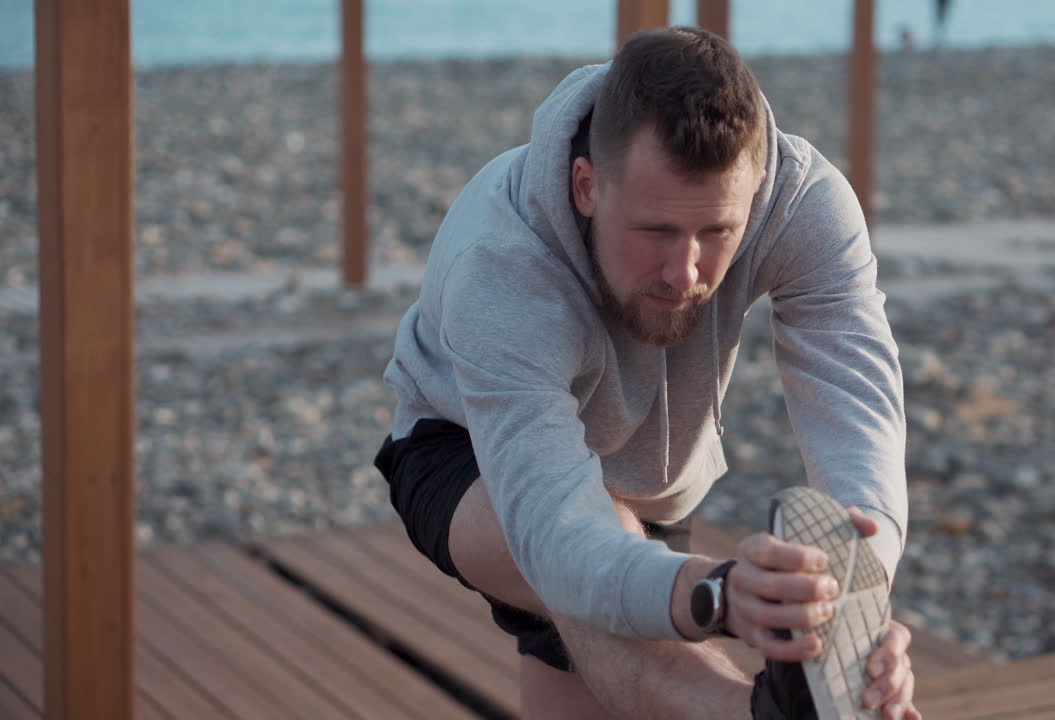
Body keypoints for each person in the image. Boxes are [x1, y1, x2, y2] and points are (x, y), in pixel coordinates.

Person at [374, 26, 917, 720]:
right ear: (586, 186)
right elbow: (560, 534)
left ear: (754, 192)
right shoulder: (502, 264)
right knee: (605, 584)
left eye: (717, 232)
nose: (685, 272)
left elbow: (856, 406)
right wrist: (718, 594)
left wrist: (856, 591)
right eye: (656, 231)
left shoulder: (803, 203)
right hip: (468, 449)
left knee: (607, 640)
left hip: (649, 484)